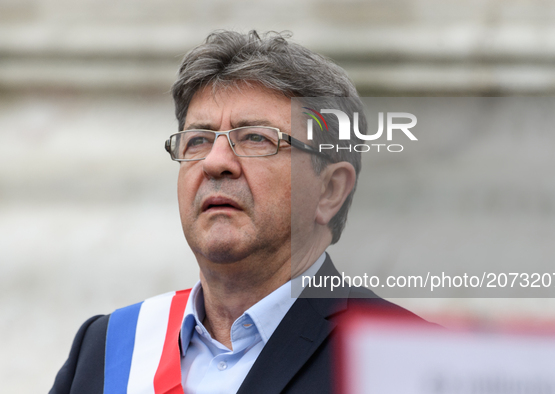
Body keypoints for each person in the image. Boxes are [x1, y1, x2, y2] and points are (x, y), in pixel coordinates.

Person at [49, 30, 425, 394]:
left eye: (256, 138)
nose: (215, 163)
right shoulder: (109, 348)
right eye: (198, 140)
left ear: (330, 190)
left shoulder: (402, 356)